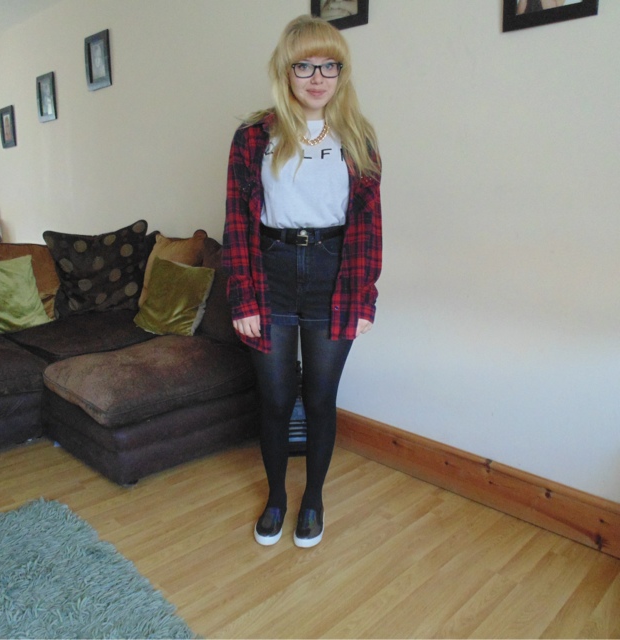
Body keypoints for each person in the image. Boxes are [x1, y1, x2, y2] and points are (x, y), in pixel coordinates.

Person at [223, 14, 382, 548]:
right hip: (269, 270)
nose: (317, 77)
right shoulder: (253, 136)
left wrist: (363, 298)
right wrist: (242, 296)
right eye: (304, 66)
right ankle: (276, 497)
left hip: (333, 273)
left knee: (319, 399)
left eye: (329, 65)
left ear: (342, 72)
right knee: (273, 400)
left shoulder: (358, 137)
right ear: (284, 71)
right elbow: (237, 222)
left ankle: (312, 498)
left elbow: (368, 225)